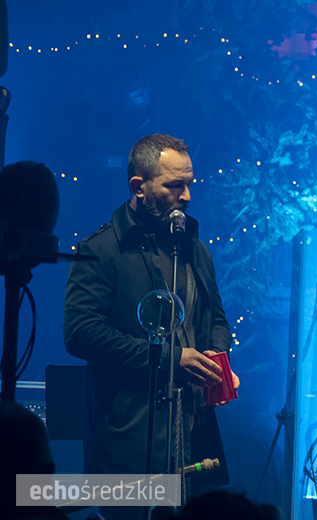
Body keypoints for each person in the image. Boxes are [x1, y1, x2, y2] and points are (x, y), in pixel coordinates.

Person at [63, 134, 239, 520]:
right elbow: (80, 332)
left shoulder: (195, 249)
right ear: (138, 187)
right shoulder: (102, 249)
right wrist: (172, 359)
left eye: (189, 183)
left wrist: (214, 357)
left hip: (193, 436)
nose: (187, 196)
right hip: (130, 437)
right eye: (174, 185)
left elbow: (217, 319)